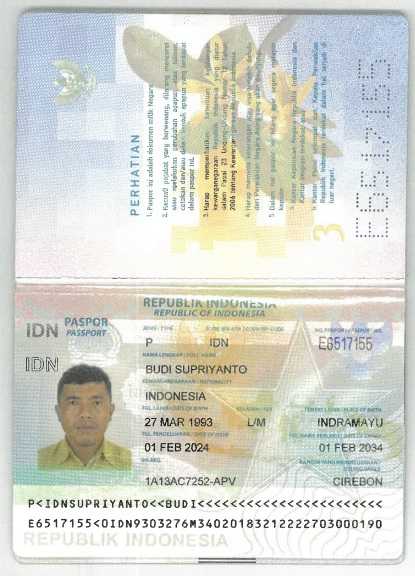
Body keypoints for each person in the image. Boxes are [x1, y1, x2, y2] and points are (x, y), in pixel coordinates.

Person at [38, 364, 132, 470]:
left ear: (110, 411)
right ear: (59, 412)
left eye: (96, 403)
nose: (85, 414)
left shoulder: (131, 462)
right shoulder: (38, 461)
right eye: (73, 403)